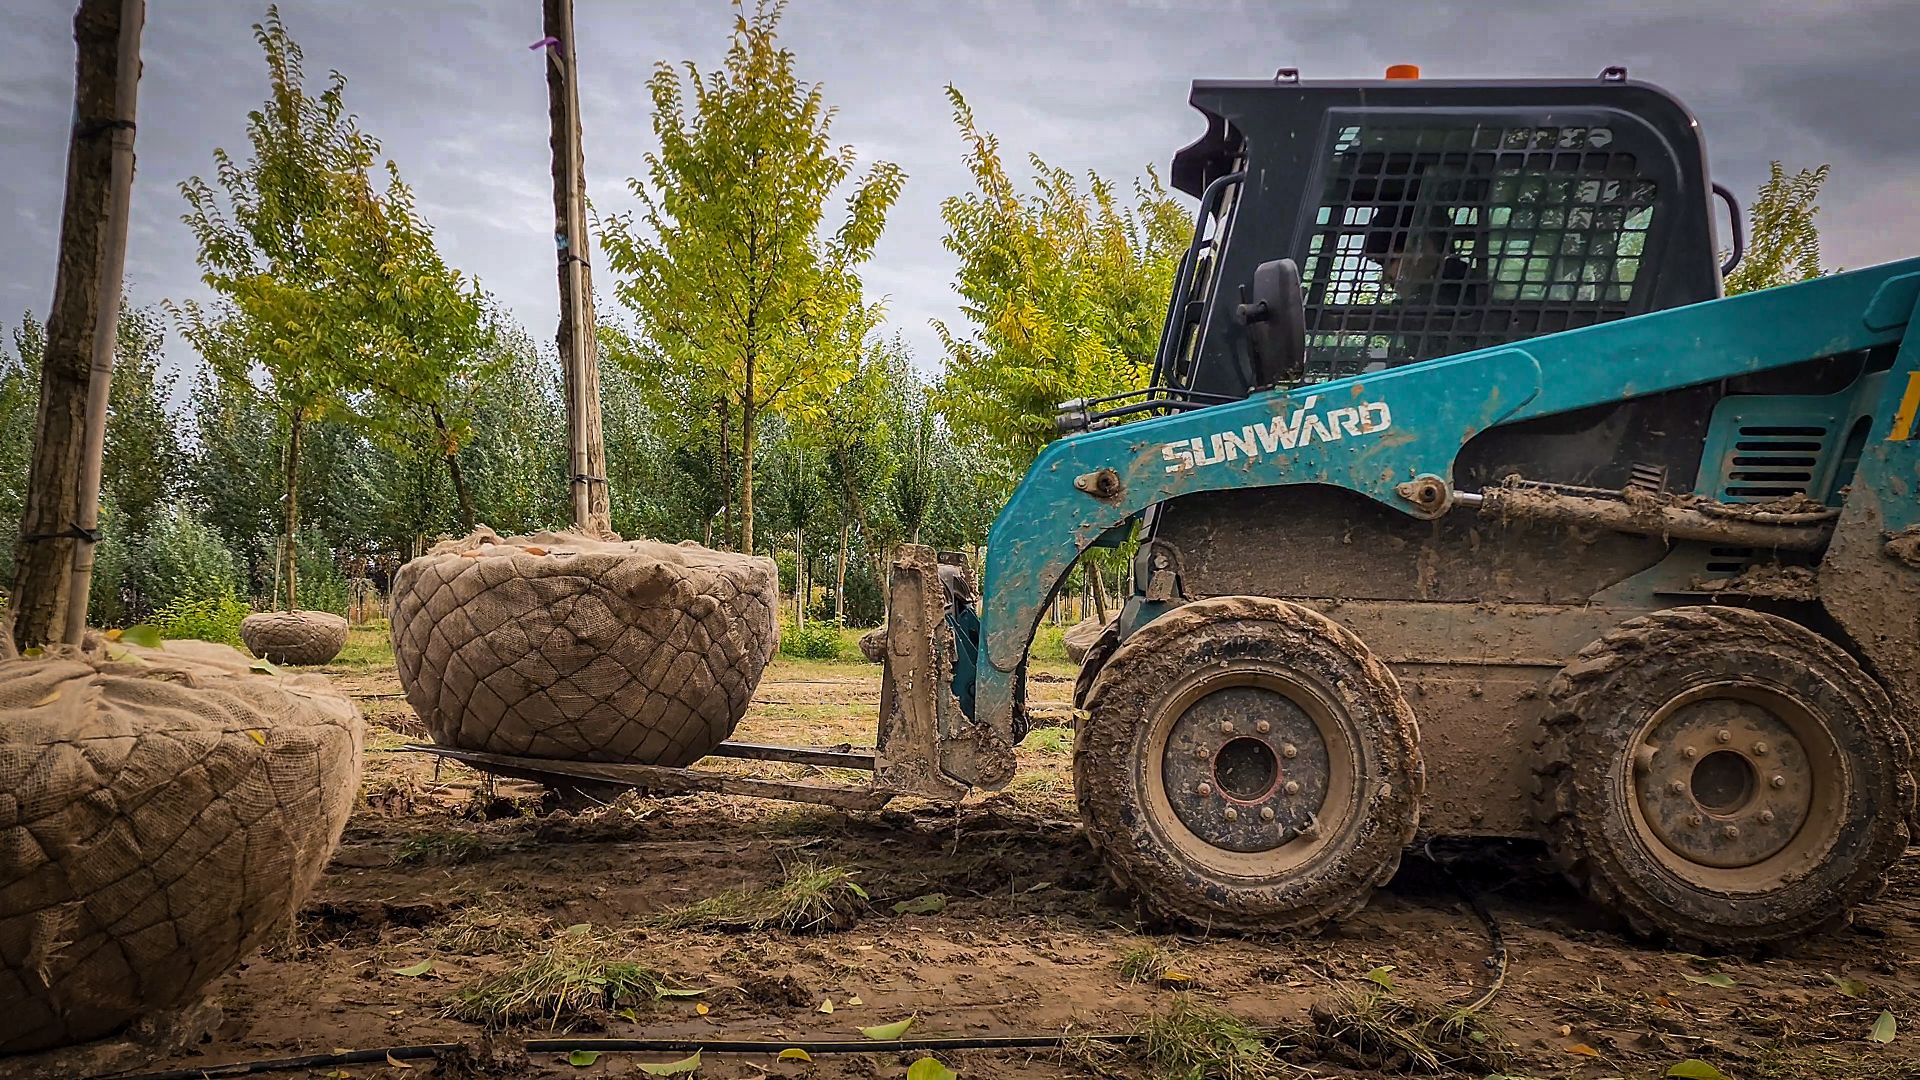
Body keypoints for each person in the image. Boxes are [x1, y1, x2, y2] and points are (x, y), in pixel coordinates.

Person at [1361, 206, 1481, 305]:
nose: (1385, 278)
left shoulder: (1454, 295)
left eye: (1387, 262)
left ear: (1418, 245)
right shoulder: (1459, 281)